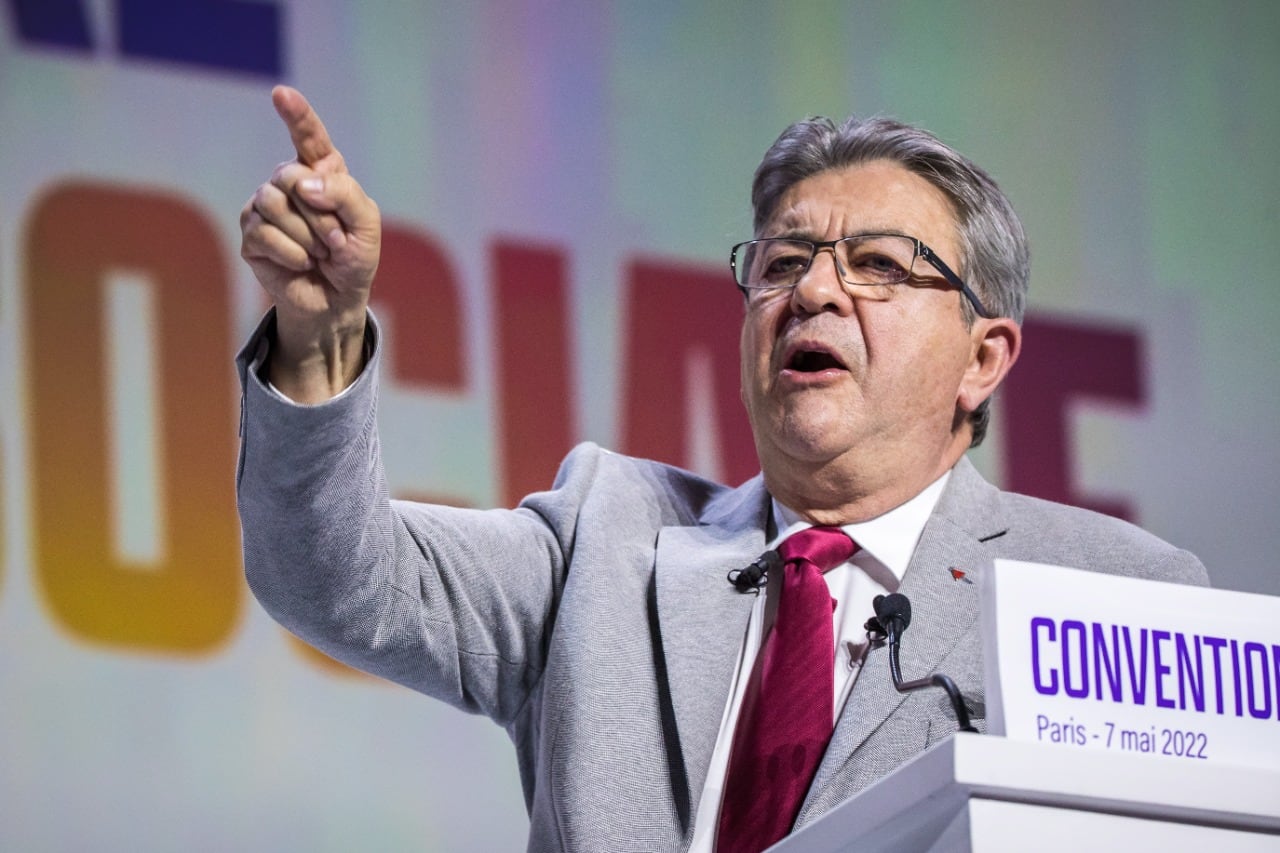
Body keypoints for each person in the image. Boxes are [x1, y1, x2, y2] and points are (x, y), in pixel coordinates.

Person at [237, 86, 1207, 852]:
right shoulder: (601, 539)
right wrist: (317, 341)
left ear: (981, 359)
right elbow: (335, 578)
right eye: (782, 262)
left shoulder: (1114, 592)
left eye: (875, 264)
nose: (813, 291)